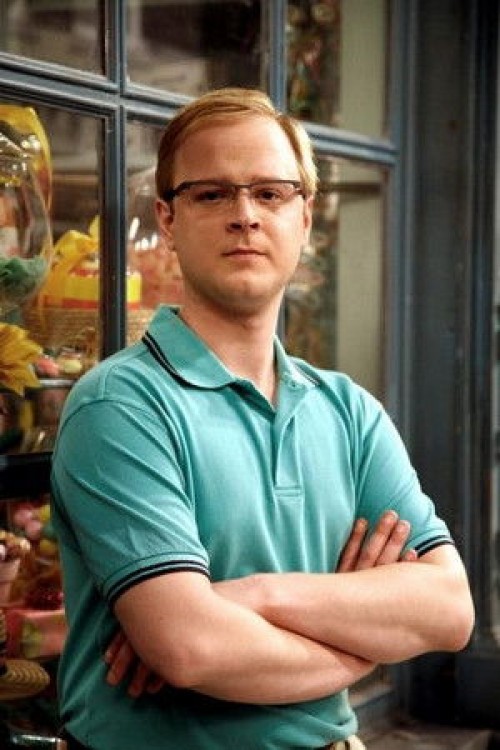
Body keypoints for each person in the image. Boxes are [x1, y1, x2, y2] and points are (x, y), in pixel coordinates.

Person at [50, 88, 474, 750]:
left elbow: (448, 610)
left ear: (305, 217)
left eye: (271, 193)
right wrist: (362, 647)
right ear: (168, 219)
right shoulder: (121, 406)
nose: (244, 215)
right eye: (212, 194)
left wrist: (255, 595)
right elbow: (191, 648)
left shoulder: (349, 412)